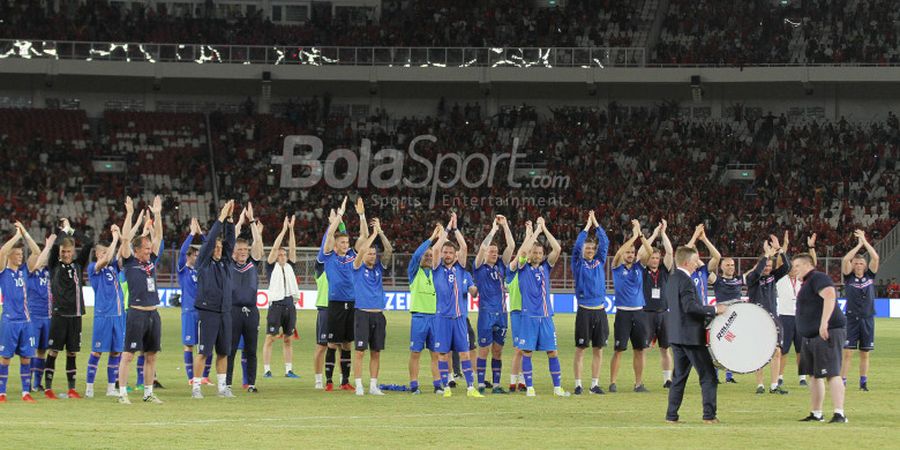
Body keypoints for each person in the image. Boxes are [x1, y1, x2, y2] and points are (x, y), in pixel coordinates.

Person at [665, 246, 727, 424]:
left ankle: (671, 416)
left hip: (676, 336)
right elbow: (690, 308)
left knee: (678, 378)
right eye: (694, 261)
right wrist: (715, 309)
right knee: (708, 376)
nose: (696, 264)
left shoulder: (672, 278)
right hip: (691, 337)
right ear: (686, 262)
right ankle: (709, 416)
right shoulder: (685, 280)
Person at [509, 217, 569, 397]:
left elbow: (557, 249)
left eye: (540, 253)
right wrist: (534, 232)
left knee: (553, 351)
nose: (537, 255)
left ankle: (557, 388)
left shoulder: (545, 267)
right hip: (529, 317)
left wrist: (544, 228)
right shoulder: (522, 268)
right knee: (527, 352)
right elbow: (523, 251)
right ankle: (529, 387)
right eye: (534, 252)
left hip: (546, 317)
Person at [117, 195, 165, 404]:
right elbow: (125, 239)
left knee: (151, 355)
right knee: (128, 355)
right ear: (136, 251)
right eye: (145, 249)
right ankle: (122, 393)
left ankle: (147, 392)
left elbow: (160, 238)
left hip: (153, 313)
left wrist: (157, 215)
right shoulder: (129, 262)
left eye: (149, 249)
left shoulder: (150, 262)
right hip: (136, 313)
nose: (149, 251)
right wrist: (129, 214)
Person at [431, 212, 483, 398]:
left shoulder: (461, 269)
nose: (447, 254)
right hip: (442, 318)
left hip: (460, 319)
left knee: (465, 354)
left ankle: (470, 388)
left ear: (455, 255)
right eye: (445, 252)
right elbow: (436, 248)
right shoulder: (436, 269)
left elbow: (464, 246)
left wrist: (456, 228)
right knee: (443, 355)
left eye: (450, 252)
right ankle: (446, 388)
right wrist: (446, 230)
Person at [792, 253, 848, 423]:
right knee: (814, 375)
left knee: (832, 373)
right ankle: (816, 413)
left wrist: (824, 323)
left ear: (807, 265)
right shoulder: (807, 283)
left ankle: (839, 413)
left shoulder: (818, 277)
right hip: (810, 336)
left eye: (797, 266)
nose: (794, 270)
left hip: (826, 332)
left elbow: (830, 296)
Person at [319, 197, 365, 391]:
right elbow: (330, 234)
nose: (346, 244)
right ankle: (328, 381)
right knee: (331, 343)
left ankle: (344, 381)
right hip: (335, 303)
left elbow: (364, 237)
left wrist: (362, 215)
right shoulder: (328, 256)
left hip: (352, 303)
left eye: (347, 242)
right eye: (343, 242)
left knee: (347, 344)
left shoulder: (353, 255)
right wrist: (339, 216)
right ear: (336, 244)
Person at [191, 199, 236, 399]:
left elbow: (231, 242)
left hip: (225, 312)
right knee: (203, 352)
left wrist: (230, 220)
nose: (218, 249)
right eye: (215, 247)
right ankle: (197, 388)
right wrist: (220, 218)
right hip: (208, 312)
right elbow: (208, 242)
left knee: (224, 352)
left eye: (220, 247)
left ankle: (222, 387)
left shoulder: (226, 263)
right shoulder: (203, 263)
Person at [45, 217, 93, 400]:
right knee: (54, 351)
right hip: (59, 315)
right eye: (63, 251)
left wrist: (71, 230)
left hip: (75, 315)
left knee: (72, 352)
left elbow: (89, 242)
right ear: (59, 252)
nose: (66, 254)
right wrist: (63, 231)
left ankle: (72, 389)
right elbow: (56, 244)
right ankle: (48, 389)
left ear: (73, 252)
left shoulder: (78, 265)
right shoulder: (54, 265)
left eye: (69, 251)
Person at [0, 223, 46, 403]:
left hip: (26, 321)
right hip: (10, 321)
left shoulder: (24, 272)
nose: (20, 257)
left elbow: (36, 253)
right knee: (5, 358)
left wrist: (25, 233)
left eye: (21, 254)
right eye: (17, 254)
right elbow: (2, 252)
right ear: (11, 255)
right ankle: (1, 393)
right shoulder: (3, 272)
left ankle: (25, 393)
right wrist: (16, 238)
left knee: (26, 357)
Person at [609, 219, 653, 393]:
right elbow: (619, 253)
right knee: (619, 349)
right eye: (628, 252)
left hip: (639, 313)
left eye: (632, 252)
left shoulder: (638, 267)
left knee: (640, 350)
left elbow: (649, 252)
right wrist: (632, 237)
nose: (630, 254)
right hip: (623, 313)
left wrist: (640, 235)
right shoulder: (617, 267)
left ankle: (638, 383)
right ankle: (612, 382)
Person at [472, 214, 514, 394]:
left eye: (496, 251)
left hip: (502, 313)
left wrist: (505, 225)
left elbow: (511, 246)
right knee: (484, 350)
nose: (494, 253)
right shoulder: (479, 267)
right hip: (486, 313)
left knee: (498, 351)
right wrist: (493, 229)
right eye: (492, 251)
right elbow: (482, 247)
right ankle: (481, 384)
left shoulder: (501, 267)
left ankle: (496, 385)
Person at [351, 217, 393, 396]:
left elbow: (389, 250)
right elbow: (360, 250)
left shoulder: (378, 268)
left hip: (378, 315)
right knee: (360, 351)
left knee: (376, 352)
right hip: (362, 314)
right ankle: (359, 384)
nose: (372, 256)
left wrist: (381, 233)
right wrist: (372, 234)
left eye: (374, 254)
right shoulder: (357, 267)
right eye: (369, 253)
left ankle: (373, 385)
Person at [570, 210, 610, 395]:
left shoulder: (599, 261)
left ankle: (594, 384)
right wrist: (587, 227)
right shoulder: (578, 263)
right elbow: (577, 246)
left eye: (592, 249)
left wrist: (596, 223)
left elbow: (605, 243)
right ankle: (578, 384)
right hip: (585, 310)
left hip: (600, 310)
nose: (590, 251)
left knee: (598, 349)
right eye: (587, 248)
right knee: (580, 349)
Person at [746, 233, 791, 395]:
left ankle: (773, 385)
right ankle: (760, 385)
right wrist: (766, 255)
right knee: (759, 352)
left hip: (773, 318)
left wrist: (779, 250)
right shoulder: (752, 278)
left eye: (770, 265)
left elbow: (787, 268)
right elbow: (756, 273)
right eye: (765, 265)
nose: (768, 268)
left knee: (777, 350)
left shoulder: (773, 276)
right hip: (757, 319)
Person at [227, 204, 265, 393]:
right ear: (234, 251)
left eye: (245, 249)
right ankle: (226, 383)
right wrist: (239, 222)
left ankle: (251, 383)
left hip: (251, 311)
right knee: (231, 349)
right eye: (240, 249)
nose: (243, 252)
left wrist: (251, 223)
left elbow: (258, 245)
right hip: (233, 311)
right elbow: (229, 241)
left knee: (251, 349)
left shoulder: (252, 263)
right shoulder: (229, 264)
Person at [85, 224, 125, 398]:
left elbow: (121, 256)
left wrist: (122, 237)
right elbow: (108, 257)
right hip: (103, 315)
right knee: (97, 351)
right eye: (104, 252)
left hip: (118, 315)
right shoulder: (94, 268)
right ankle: (89, 387)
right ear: (98, 254)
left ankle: (110, 388)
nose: (106, 254)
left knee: (116, 351)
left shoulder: (113, 267)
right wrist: (115, 238)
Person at [840, 229, 880, 391]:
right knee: (848, 353)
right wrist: (858, 245)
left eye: (861, 263)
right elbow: (845, 259)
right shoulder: (848, 277)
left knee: (865, 353)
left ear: (865, 265)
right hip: (851, 319)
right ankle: (842, 381)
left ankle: (863, 383)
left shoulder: (870, 276)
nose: (858, 265)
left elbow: (875, 257)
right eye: (856, 263)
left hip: (867, 318)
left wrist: (865, 241)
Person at [776, 234, 817, 388]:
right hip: (785, 317)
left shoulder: (803, 279)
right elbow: (780, 261)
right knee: (783, 349)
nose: (794, 269)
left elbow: (813, 264)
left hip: (801, 317)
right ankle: (779, 377)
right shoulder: (781, 279)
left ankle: (802, 377)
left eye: (797, 266)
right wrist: (784, 245)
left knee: (802, 350)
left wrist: (811, 248)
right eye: (791, 266)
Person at [407, 224, 444, 395]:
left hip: (435, 319)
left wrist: (444, 236)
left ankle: (438, 385)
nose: (428, 257)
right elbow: (415, 256)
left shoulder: (436, 273)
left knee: (435, 354)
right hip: (419, 317)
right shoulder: (414, 272)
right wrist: (432, 238)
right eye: (426, 255)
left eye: (430, 255)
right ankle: (414, 385)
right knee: (416, 353)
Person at [264, 215, 301, 381]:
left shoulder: (289, 266)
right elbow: (273, 249)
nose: (282, 256)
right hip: (276, 305)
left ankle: (288, 370)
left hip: (289, 305)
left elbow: (293, 249)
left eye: (284, 254)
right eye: (280, 254)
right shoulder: (271, 267)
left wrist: (292, 230)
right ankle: (267, 370)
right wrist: (284, 230)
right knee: (270, 338)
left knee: (288, 339)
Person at [639, 220, 674, 388]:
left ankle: (667, 380)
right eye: (652, 257)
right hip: (646, 313)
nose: (654, 259)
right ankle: (640, 381)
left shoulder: (665, 271)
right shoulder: (643, 271)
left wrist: (663, 233)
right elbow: (640, 253)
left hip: (664, 313)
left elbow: (670, 252)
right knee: (643, 349)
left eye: (656, 257)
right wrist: (653, 235)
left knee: (665, 349)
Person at [178, 218, 212, 386]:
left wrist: (203, 235)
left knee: (207, 344)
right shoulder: (183, 270)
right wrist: (192, 234)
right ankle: (191, 378)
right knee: (189, 345)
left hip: (203, 310)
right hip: (189, 311)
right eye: (195, 255)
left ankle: (204, 377)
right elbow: (182, 252)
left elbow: (211, 250)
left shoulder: (201, 270)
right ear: (189, 256)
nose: (198, 258)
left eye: (199, 255)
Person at [22, 223, 53, 391]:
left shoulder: (47, 271)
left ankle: (36, 384)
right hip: (33, 317)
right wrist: (45, 247)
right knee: (31, 351)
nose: (42, 258)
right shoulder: (30, 270)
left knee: (42, 351)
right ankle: (27, 383)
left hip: (47, 317)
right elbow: (36, 254)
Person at [312, 214, 335, 390]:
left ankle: (342, 379)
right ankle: (318, 380)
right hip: (325, 309)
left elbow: (345, 242)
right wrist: (332, 224)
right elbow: (324, 246)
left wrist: (339, 225)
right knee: (321, 347)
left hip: (340, 307)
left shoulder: (340, 264)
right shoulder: (321, 266)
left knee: (342, 345)